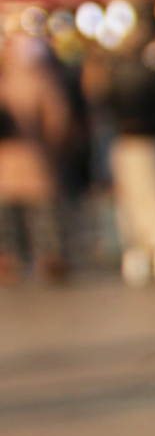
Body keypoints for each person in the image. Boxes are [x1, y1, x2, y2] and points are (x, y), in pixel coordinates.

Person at [97, 19, 155, 288]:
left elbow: (106, 106)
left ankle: (138, 253)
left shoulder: (113, 75)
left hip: (126, 143)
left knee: (133, 201)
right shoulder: (153, 73)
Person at [0, 33, 72, 282]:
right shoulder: (44, 82)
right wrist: (54, 148)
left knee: (9, 218)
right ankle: (50, 259)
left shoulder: (4, 83)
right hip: (37, 159)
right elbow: (58, 122)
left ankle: (9, 259)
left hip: (6, 163)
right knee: (43, 215)